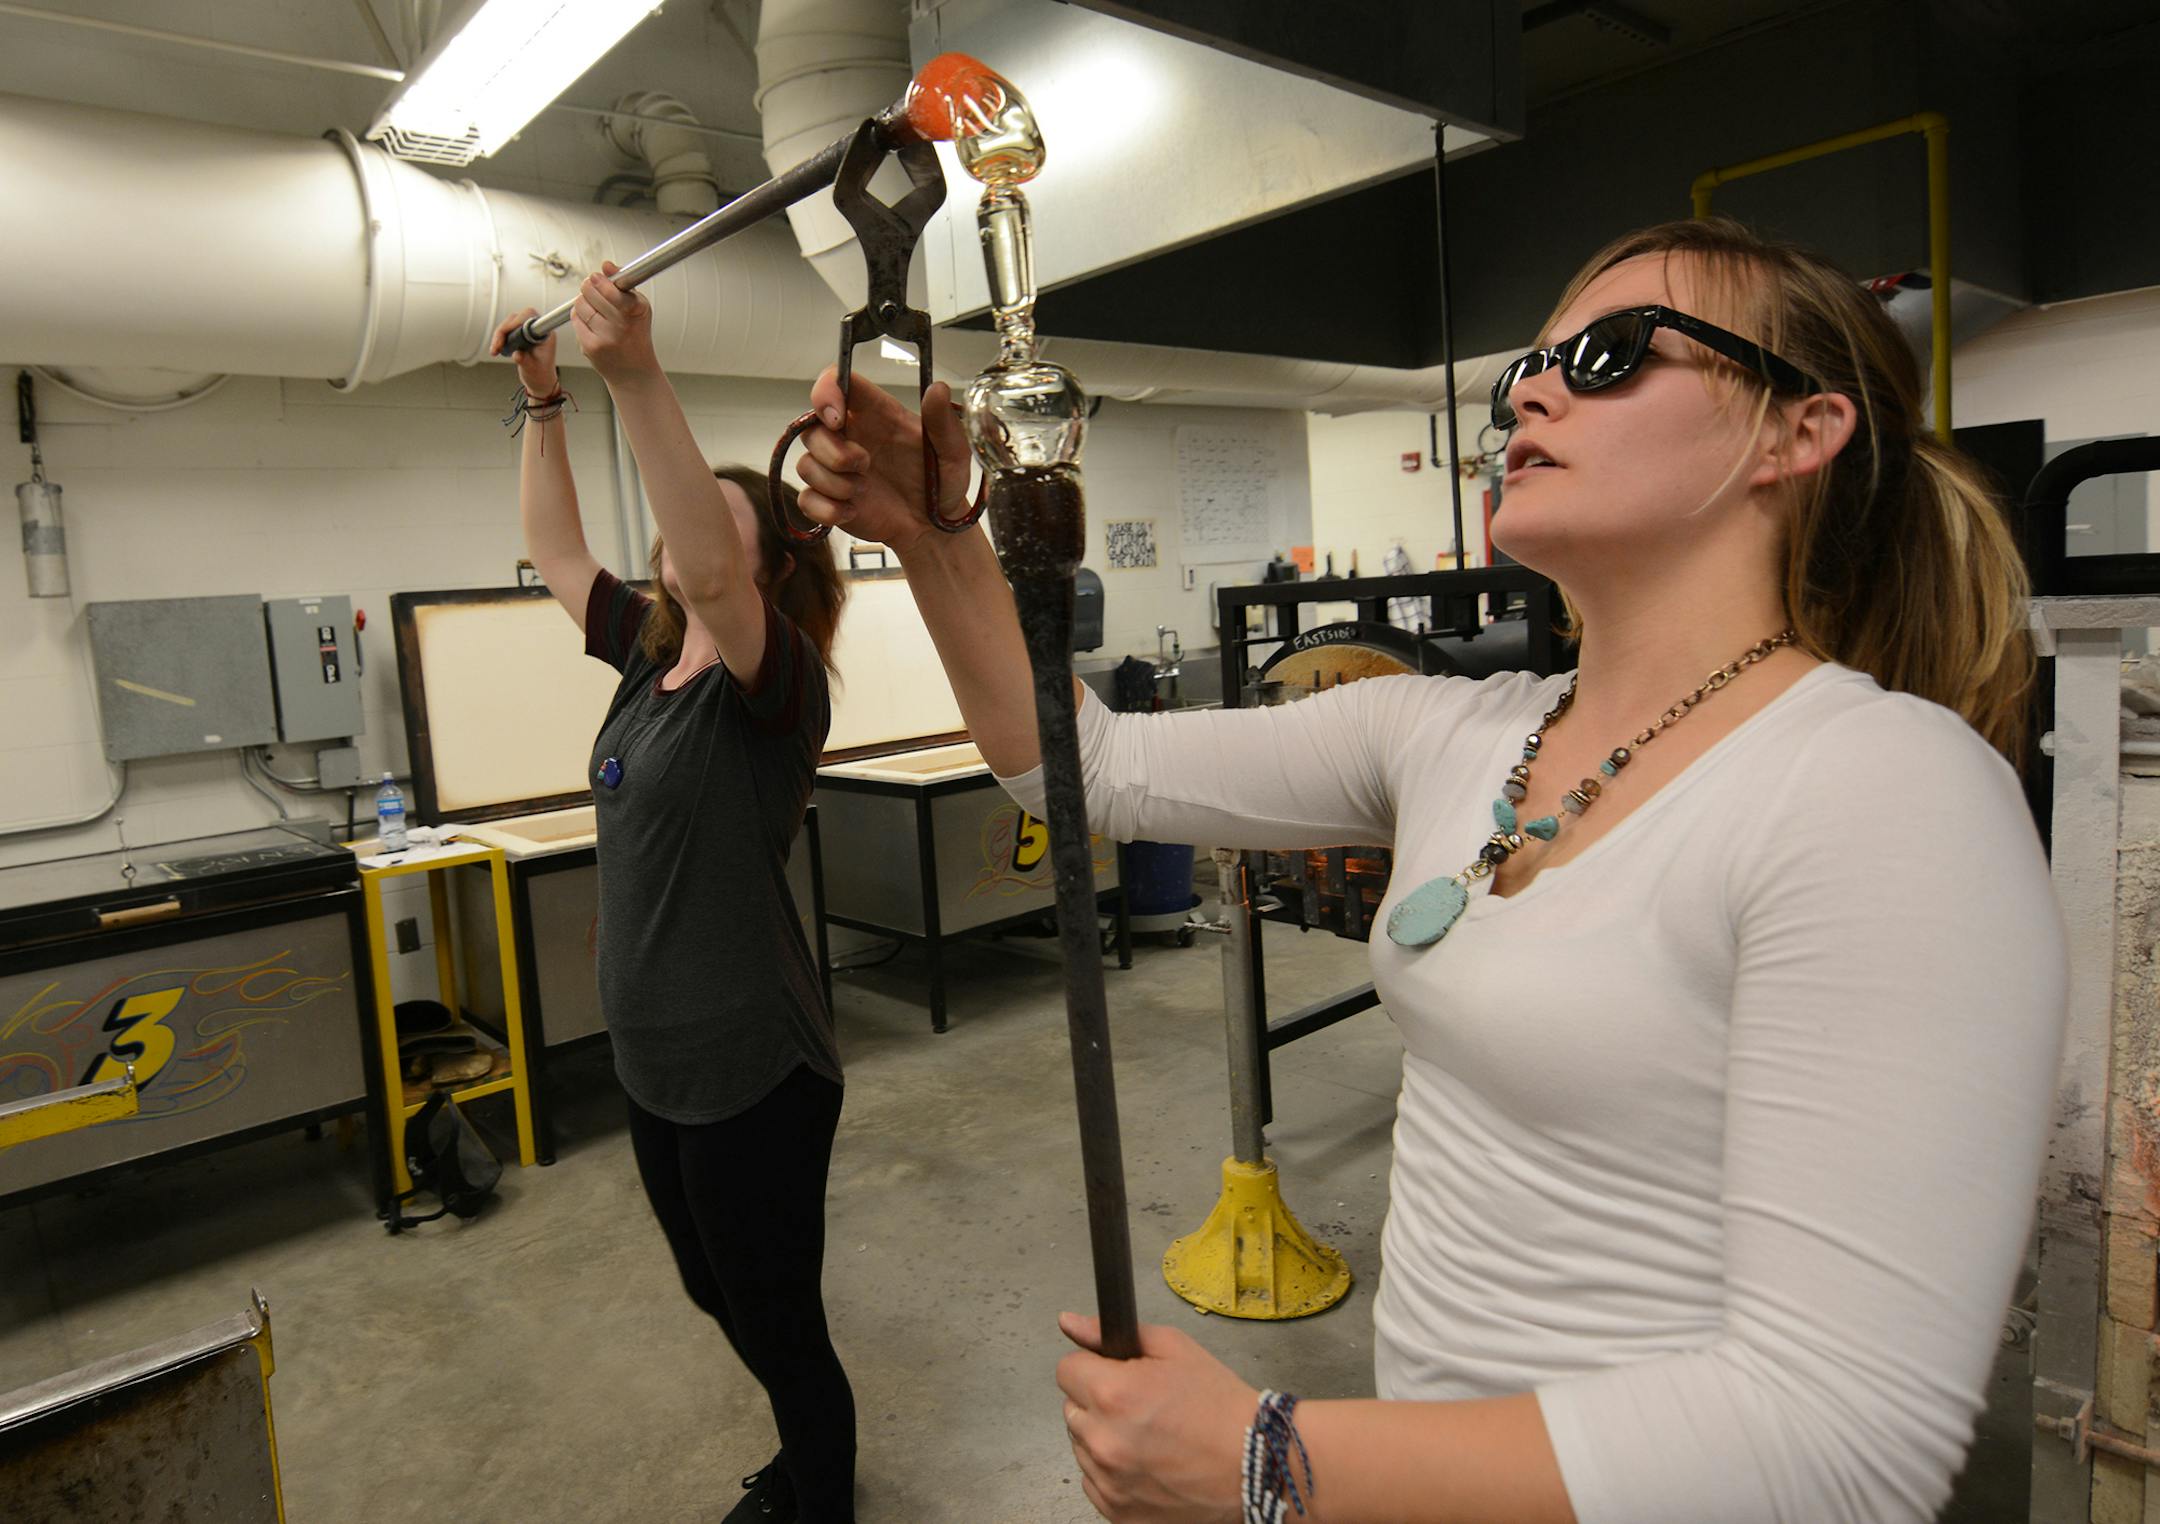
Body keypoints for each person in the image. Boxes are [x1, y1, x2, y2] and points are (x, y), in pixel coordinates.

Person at [787, 217, 2069, 1523]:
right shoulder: (1456, 730)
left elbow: (1843, 1443)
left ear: (1802, 431)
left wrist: (1273, 1460)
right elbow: (1086, 766)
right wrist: (938, 536)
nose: (1534, 388)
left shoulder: (1876, 787)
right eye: (1531, 363)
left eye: (1614, 353)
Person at [489, 266, 854, 1524]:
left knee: (776, 1314)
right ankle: (805, 1450)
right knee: (714, 1290)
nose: (682, 538)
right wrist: (544, 405)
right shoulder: (647, 653)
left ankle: (821, 1489)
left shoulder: (774, 682)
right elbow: (555, 549)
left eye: (710, 523)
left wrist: (634, 375)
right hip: (653, 1057)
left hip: (755, 1062)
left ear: (761, 569)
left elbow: (709, 574)